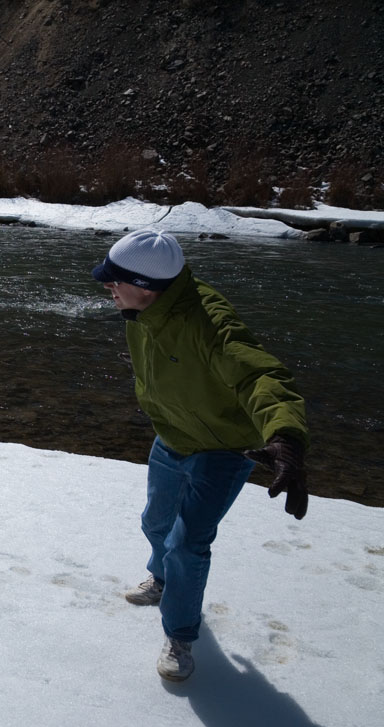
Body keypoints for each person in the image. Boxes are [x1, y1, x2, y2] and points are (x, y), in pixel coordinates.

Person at [91, 229, 309, 681]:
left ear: (146, 285)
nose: (106, 287)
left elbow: (261, 376)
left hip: (225, 448)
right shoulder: (144, 310)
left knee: (187, 544)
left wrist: (285, 436)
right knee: (156, 523)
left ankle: (180, 635)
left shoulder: (208, 320)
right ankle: (162, 580)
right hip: (172, 436)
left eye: (114, 280)